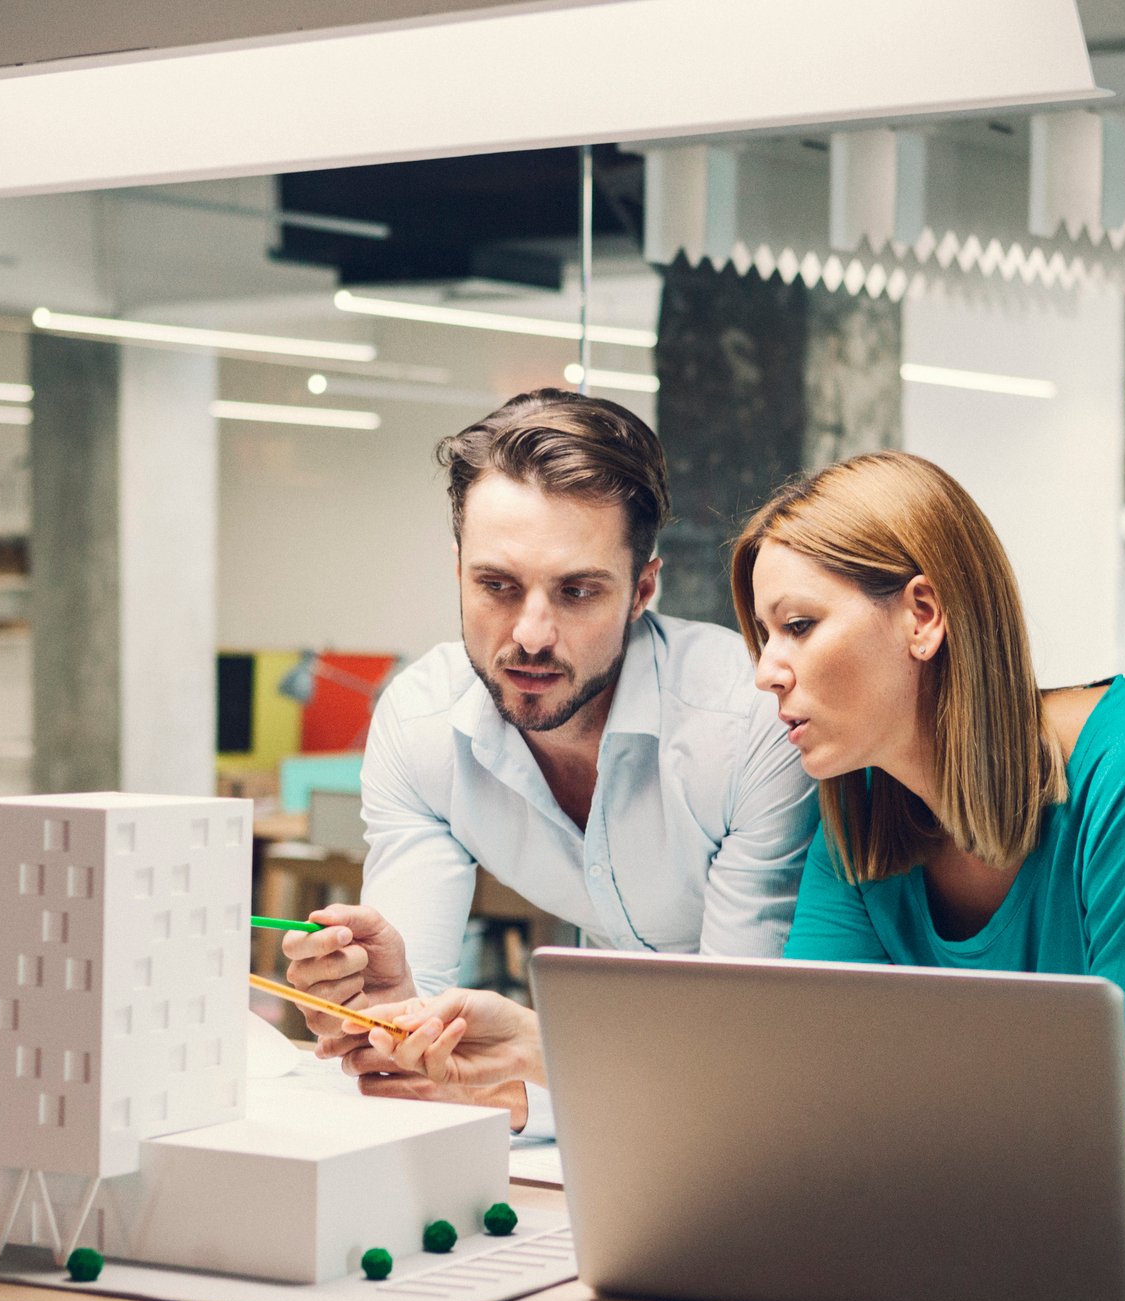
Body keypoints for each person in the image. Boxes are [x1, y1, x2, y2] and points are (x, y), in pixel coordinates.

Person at [351, 449, 1125, 1186]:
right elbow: (780, 1076)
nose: (766, 670)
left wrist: (857, 1097)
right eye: (761, 636)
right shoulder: (859, 809)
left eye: (799, 627)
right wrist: (539, 1051)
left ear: (924, 615)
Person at [281, 389, 817, 1131]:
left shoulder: (748, 723)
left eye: (577, 591)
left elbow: (734, 1055)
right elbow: (408, 1029)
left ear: (643, 590)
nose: (531, 635)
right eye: (496, 586)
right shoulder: (421, 723)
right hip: (618, 1095)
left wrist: (527, 1080)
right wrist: (383, 1011)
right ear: (458, 571)